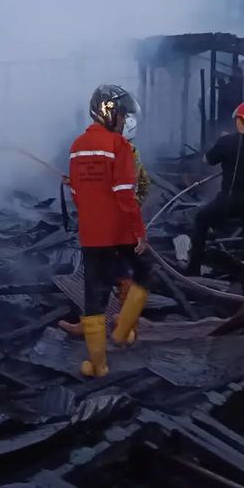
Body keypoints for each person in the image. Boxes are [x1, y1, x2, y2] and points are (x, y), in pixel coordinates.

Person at [67, 84, 152, 378]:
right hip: (120, 230)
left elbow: (77, 194)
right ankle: (124, 330)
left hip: (91, 233)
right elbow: (125, 194)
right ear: (109, 112)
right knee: (143, 272)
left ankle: (97, 365)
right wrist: (138, 231)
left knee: (94, 295)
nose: (125, 119)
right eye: (123, 113)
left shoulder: (77, 146)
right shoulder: (120, 146)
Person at [187, 101, 244, 293]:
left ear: (239, 120)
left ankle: (194, 268)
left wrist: (222, 144)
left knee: (201, 219)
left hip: (231, 201)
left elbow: (206, 160)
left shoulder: (226, 142)